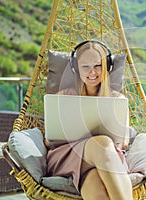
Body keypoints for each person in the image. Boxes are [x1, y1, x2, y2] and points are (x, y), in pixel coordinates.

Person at [46, 40, 133, 200]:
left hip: (107, 159)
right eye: (85, 66)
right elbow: (49, 138)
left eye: (98, 65)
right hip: (68, 155)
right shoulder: (63, 98)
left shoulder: (117, 100)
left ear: (107, 67)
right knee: (103, 143)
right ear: (76, 68)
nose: (92, 72)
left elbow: (124, 141)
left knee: (97, 187)